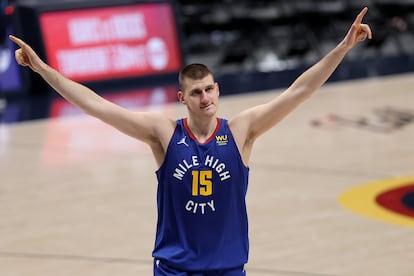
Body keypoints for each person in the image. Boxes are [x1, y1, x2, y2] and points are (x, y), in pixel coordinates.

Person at [9, 7, 372, 276]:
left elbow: (300, 91)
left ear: (218, 89)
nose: (205, 97)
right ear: (183, 98)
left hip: (228, 268)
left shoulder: (241, 131)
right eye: (196, 92)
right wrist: (43, 68)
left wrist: (343, 46)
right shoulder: (164, 133)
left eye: (209, 89)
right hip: (174, 269)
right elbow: (95, 105)